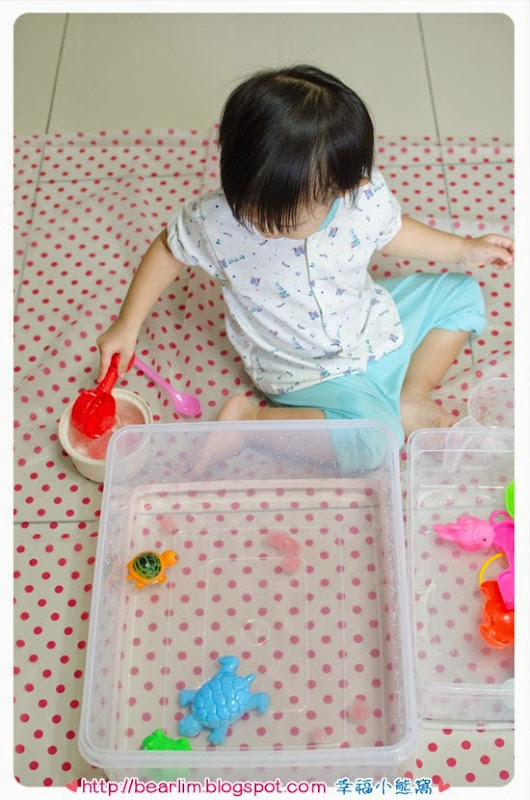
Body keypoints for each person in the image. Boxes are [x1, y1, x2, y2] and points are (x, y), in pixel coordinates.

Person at [96, 65, 513, 469]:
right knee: (373, 445)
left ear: (343, 186)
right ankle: (250, 421)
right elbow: (168, 249)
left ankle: (411, 395)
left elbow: (393, 231)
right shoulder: (215, 220)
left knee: (462, 294)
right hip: (302, 369)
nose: (257, 222)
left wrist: (463, 249)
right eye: (247, 204)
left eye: (281, 220)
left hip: (371, 323)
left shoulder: (362, 199)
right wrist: (127, 324)